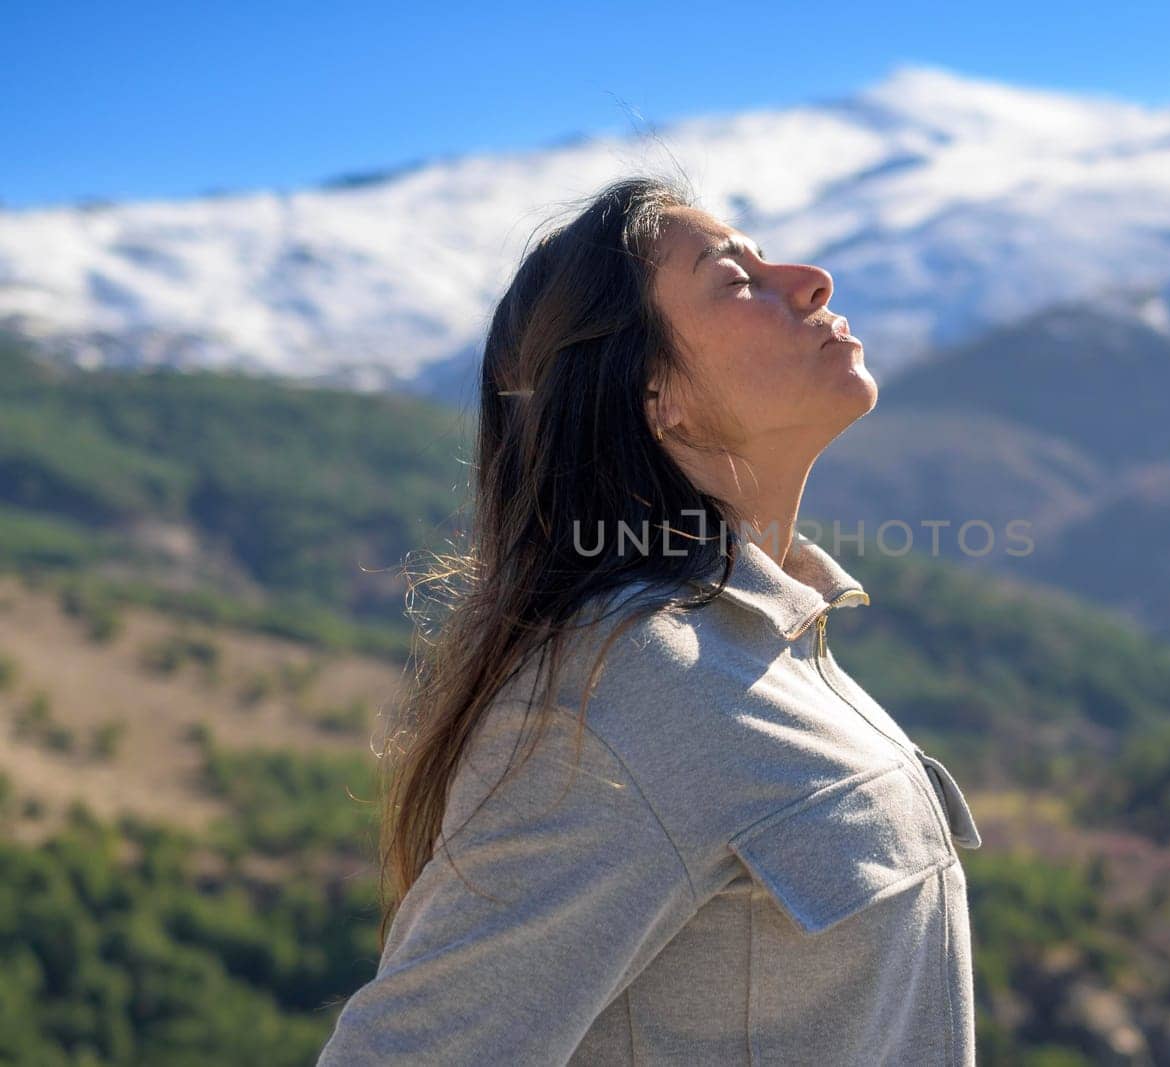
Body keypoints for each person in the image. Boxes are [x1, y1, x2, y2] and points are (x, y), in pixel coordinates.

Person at [315, 173, 983, 1065]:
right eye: (737, 278)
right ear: (653, 393)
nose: (812, 279)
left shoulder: (767, 648)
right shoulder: (625, 687)